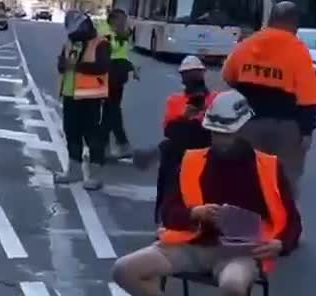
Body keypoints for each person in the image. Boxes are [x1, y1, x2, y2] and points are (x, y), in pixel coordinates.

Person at [112, 90, 301, 296]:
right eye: (215, 133)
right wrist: (194, 214)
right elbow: (168, 211)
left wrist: (280, 245)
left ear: (243, 129)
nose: (220, 140)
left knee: (233, 286)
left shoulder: (268, 166)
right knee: (124, 270)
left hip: (239, 253)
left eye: (226, 134)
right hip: (190, 246)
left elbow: (293, 222)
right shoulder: (191, 161)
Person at [222, 1, 316, 199]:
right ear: (294, 23)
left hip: (247, 123)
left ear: (271, 19)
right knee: (285, 180)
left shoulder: (247, 44)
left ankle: (243, 220)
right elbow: (307, 95)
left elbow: (228, 75)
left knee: (245, 175)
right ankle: (281, 223)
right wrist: (307, 132)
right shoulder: (297, 49)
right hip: (285, 127)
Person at [135, 55, 218, 223]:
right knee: (169, 158)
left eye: (195, 73)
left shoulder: (215, 99)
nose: (192, 78)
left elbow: (220, 127)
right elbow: (169, 129)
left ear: (203, 73)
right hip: (181, 151)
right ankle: (164, 216)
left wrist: (203, 115)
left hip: (206, 147)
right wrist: (185, 116)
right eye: (188, 74)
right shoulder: (175, 101)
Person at [56, 10, 111, 190]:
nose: (73, 34)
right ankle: (74, 171)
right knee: (71, 133)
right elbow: (61, 65)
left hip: (91, 98)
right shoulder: (70, 42)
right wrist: (64, 64)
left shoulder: (100, 43)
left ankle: (95, 176)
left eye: (76, 30)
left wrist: (77, 66)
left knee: (93, 136)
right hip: (70, 95)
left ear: (85, 26)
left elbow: (102, 66)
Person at [96, 9, 138, 159]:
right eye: (122, 20)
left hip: (117, 76)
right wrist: (122, 35)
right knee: (112, 111)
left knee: (111, 111)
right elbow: (110, 51)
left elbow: (122, 54)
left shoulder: (118, 32)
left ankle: (110, 145)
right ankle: (112, 144)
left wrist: (132, 67)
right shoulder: (105, 32)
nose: (124, 23)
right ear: (113, 20)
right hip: (108, 76)